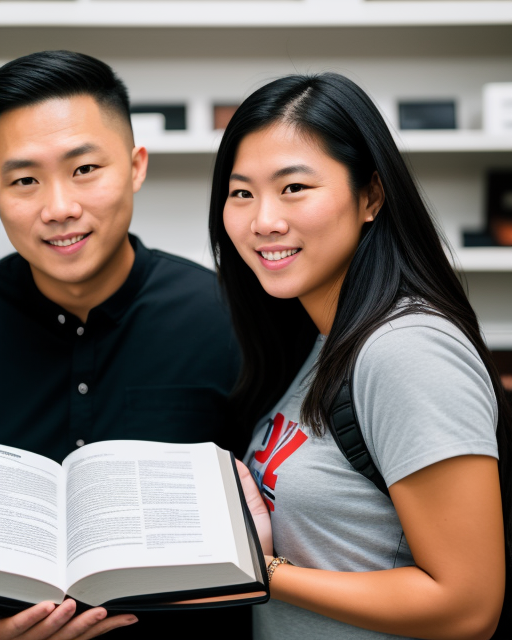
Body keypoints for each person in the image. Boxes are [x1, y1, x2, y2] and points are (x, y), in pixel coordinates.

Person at [209, 72, 512, 640]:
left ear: (370, 195)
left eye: (294, 187)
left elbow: (468, 607)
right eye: (241, 192)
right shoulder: (321, 337)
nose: (263, 220)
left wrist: (259, 570)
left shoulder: (406, 349)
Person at [0, 50, 248, 640]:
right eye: (24, 179)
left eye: (84, 169)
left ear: (136, 166)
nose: (59, 208)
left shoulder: (228, 319)